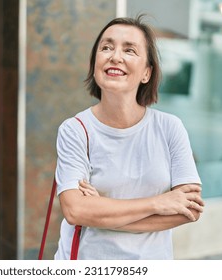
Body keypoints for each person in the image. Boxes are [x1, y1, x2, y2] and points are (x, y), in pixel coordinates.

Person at [54, 15, 204, 260]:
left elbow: (190, 208)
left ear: (147, 72)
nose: (115, 56)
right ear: (94, 64)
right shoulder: (75, 130)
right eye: (106, 47)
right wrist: (158, 203)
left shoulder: (170, 128)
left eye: (129, 50)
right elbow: (75, 210)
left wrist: (101, 212)